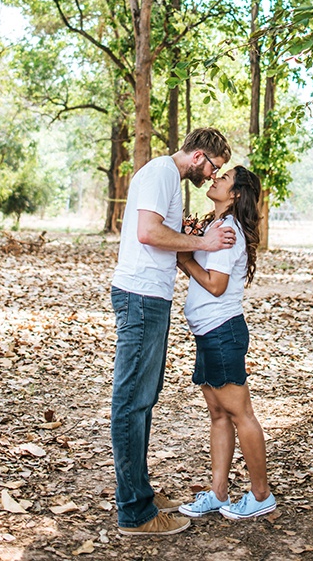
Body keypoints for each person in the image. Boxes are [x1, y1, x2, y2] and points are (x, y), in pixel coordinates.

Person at [110, 127, 234, 537]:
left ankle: (140, 492)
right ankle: (135, 512)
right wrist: (207, 243)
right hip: (140, 296)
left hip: (152, 298)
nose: (212, 176)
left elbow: (166, 237)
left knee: (144, 399)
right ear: (198, 156)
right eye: (214, 167)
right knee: (131, 401)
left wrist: (197, 238)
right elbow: (149, 233)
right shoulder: (163, 171)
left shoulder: (171, 180)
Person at [177, 166, 276, 521]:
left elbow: (216, 285)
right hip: (208, 332)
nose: (215, 178)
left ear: (235, 194)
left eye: (225, 178)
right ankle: (218, 493)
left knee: (239, 413)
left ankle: (261, 494)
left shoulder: (226, 229)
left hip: (222, 332)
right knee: (218, 414)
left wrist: (185, 258)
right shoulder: (213, 226)